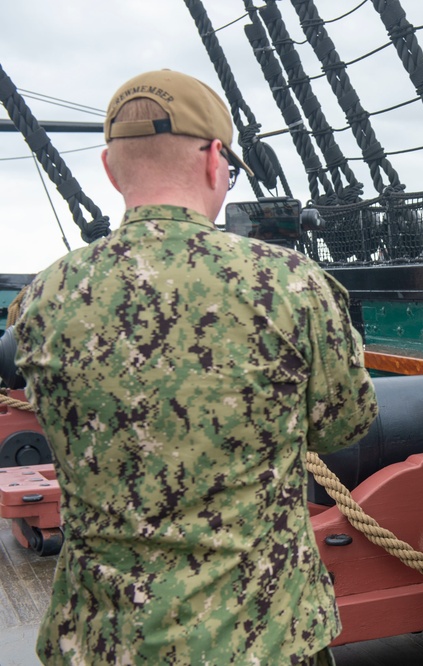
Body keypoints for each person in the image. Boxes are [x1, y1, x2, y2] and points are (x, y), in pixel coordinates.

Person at [14, 69, 378, 665]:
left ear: (109, 168)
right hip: (261, 634)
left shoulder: (44, 297)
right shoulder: (291, 285)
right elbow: (345, 426)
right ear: (216, 161)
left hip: (102, 636)